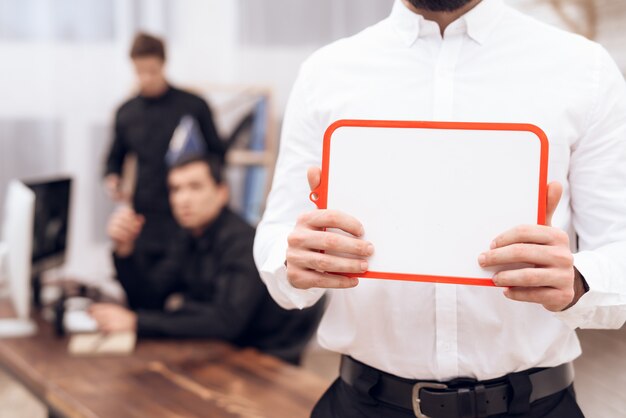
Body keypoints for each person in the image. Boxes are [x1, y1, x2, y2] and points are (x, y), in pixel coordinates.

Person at [253, 0, 626, 417]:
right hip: (362, 404)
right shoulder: (327, 72)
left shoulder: (583, 68)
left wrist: (577, 280)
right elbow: (276, 230)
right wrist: (292, 258)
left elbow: (619, 245)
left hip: (535, 405)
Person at [92, 155, 323, 365]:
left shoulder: (242, 242)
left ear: (222, 192)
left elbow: (226, 321)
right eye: (175, 189)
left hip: (262, 359)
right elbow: (151, 297)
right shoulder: (187, 235)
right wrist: (125, 251)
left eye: (195, 187)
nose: (183, 199)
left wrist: (137, 323)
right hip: (221, 350)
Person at [103, 32, 225, 273]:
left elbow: (218, 154)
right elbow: (114, 157)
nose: (146, 78)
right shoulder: (126, 112)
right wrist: (112, 178)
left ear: (163, 64)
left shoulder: (193, 105)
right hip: (146, 211)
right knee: (145, 278)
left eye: (152, 70)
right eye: (140, 71)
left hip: (185, 210)